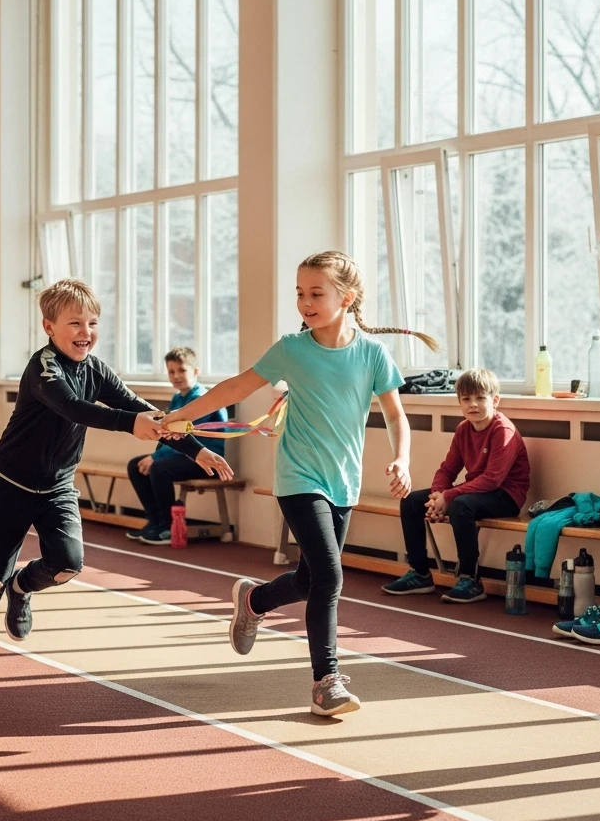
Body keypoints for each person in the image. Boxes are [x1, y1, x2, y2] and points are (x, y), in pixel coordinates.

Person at [165, 251, 433, 717]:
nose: (304, 302)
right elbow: (236, 387)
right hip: (298, 477)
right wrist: (179, 417)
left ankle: (254, 600)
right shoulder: (292, 348)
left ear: (346, 297)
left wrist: (403, 460)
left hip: (342, 482)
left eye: (315, 293)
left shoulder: (372, 354)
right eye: (299, 293)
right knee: (330, 576)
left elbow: (395, 415)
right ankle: (326, 681)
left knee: (311, 580)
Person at [0, 279, 231, 675]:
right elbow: (73, 408)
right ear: (49, 326)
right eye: (75, 324)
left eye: (92, 323)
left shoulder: (97, 369)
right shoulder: (43, 366)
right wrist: (129, 423)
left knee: (67, 565)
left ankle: (21, 587)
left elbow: (147, 412)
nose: (86, 333)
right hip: (11, 484)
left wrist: (196, 448)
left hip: (56, 488)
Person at [382, 367, 530, 603]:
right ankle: (420, 573)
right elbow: (447, 469)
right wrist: (437, 494)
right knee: (411, 500)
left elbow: (493, 479)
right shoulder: (463, 429)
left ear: (495, 400)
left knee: (461, 504)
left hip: (505, 496)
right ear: (460, 403)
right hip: (476, 491)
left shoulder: (503, 430)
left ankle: (470, 579)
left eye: (480, 398)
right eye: (467, 399)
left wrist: (449, 496)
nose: (473, 404)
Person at [125, 346, 229, 545]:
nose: (176, 376)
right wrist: (153, 455)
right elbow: (168, 434)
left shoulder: (200, 399)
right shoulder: (178, 399)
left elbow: (183, 437)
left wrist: (155, 458)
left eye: (182, 370)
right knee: (135, 466)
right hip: (185, 456)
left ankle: (166, 526)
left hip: (207, 461)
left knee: (159, 468)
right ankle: (155, 521)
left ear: (196, 371)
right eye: (171, 372)